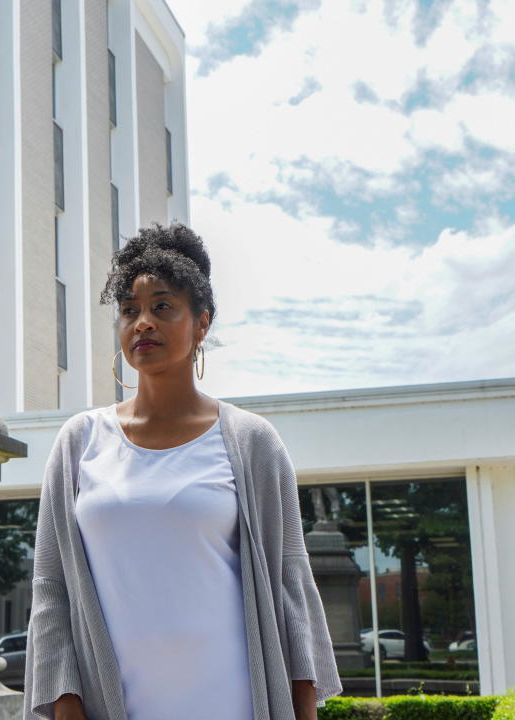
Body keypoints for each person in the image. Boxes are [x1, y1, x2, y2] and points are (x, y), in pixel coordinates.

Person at [23, 223, 342, 720]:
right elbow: (51, 591)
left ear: (202, 324)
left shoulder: (252, 441)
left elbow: (290, 588)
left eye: (162, 307)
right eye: (130, 310)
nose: (142, 323)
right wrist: (66, 706)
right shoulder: (79, 442)